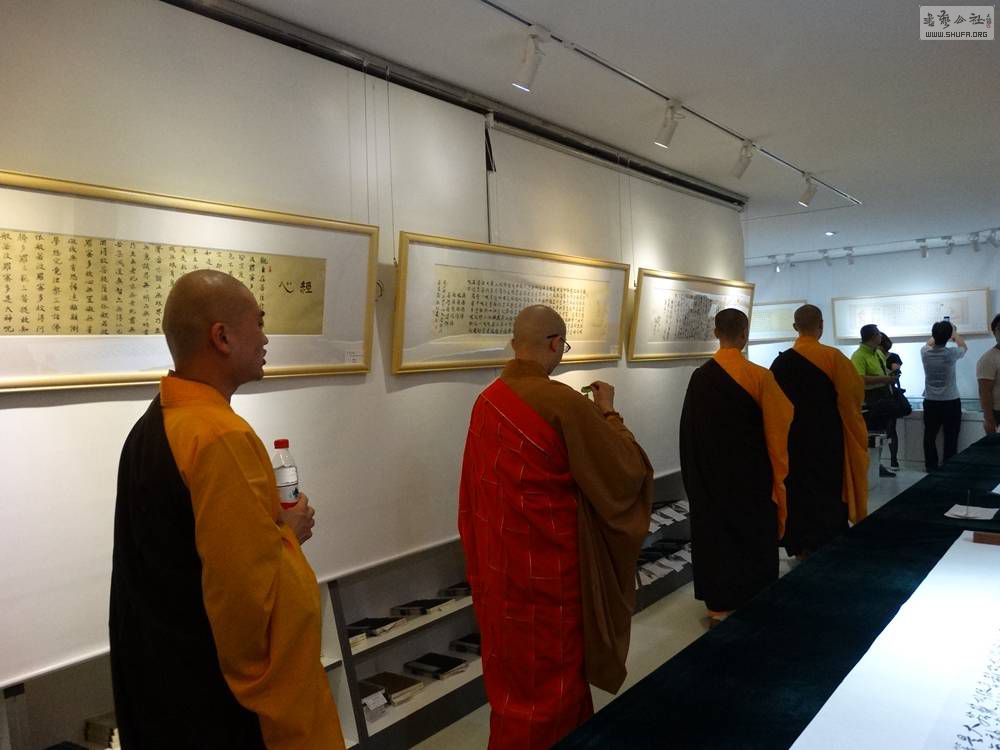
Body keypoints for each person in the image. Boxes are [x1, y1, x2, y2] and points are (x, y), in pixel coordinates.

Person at [110, 270, 344, 749]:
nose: (265, 338)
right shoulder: (220, 437)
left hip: (160, 683)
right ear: (222, 337)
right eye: (259, 322)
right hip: (215, 700)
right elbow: (246, 598)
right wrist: (288, 533)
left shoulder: (154, 425)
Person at [458, 304, 652, 749]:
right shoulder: (562, 401)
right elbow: (626, 471)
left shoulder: (486, 402)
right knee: (554, 690)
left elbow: (472, 498)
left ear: (514, 345)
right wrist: (609, 412)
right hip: (549, 578)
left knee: (512, 685)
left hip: (499, 571)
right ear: (555, 344)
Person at [680, 308, 793, 622]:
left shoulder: (700, 378)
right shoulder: (760, 376)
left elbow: (689, 434)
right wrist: (778, 474)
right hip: (751, 478)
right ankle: (755, 598)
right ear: (745, 334)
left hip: (711, 479)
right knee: (752, 538)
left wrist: (695, 481)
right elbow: (779, 427)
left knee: (717, 538)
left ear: (716, 333)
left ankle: (718, 605)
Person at [770, 305, 868, 558]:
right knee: (828, 489)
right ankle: (828, 542)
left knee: (798, 490)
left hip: (793, 440)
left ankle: (801, 545)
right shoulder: (833, 358)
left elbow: (773, 406)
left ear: (795, 327)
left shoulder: (781, 363)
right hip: (827, 438)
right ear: (821, 325)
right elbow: (853, 397)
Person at [850, 324, 898, 477]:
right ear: (872, 337)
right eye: (878, 334)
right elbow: (860, 379)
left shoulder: (877, 353)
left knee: (882, 433)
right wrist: (885, 379)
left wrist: (891, 375)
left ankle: (877, 464)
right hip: (870, 400)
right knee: (872, 434)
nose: (881, 336)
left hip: (883, 396)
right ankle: (870, 466)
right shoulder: (859, 356)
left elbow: (881, 371)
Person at [921, 320, 967, 471]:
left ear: (933, 335)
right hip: (950, 401)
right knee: (951, 436)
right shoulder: (951, 353)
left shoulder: (925, 352)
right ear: (948, 337)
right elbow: (964, 347)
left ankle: (931, 467)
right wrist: (954, 333)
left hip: (930, 401)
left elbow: (930, 342)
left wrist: (942, 332)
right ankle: (949, 467)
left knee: (929, 436)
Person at [880, 334, 904, 470]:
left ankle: (893, 460)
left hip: (887, 396)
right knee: (888, 430)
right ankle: (891, 461)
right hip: (884, 395)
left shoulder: (891, 357)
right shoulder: (890, 357)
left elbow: (896, 372)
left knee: (889, 429)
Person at [976, 313, 1000, 434]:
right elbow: (984, 392)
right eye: (999, 329)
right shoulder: (988, 359)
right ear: (994, 332)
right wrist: (989, 421)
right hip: (997, 413)